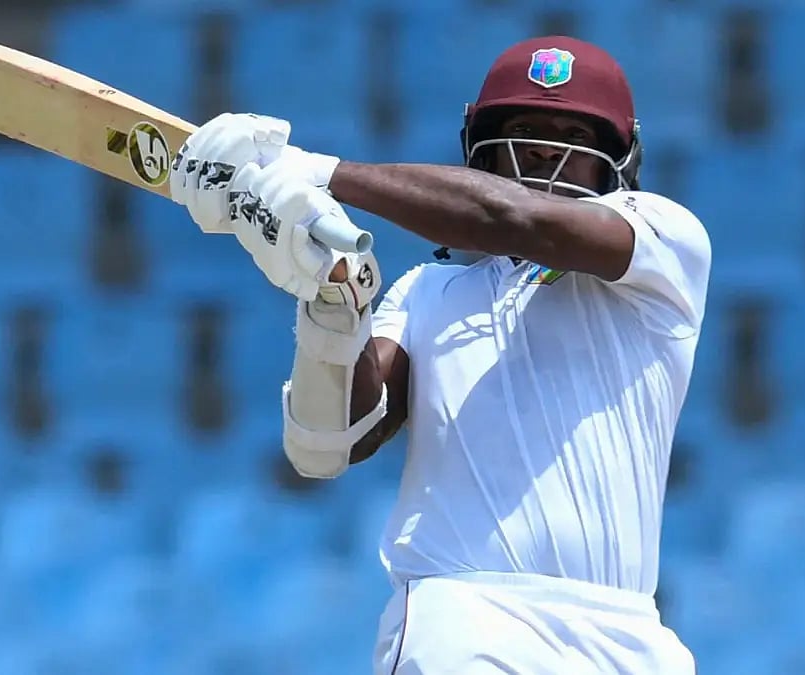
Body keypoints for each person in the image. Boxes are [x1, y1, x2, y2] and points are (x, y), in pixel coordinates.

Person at [169, 34, 709, 675]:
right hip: (467, 621)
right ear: (483, 150)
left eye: (573, 133)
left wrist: (316, 171)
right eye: (524, 130)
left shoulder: (666, 242)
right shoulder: (428, 292)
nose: (545, 149)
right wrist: (333, 304)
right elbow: (330, 444)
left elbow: (513, 220)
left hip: (625, 633)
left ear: (618, 160)